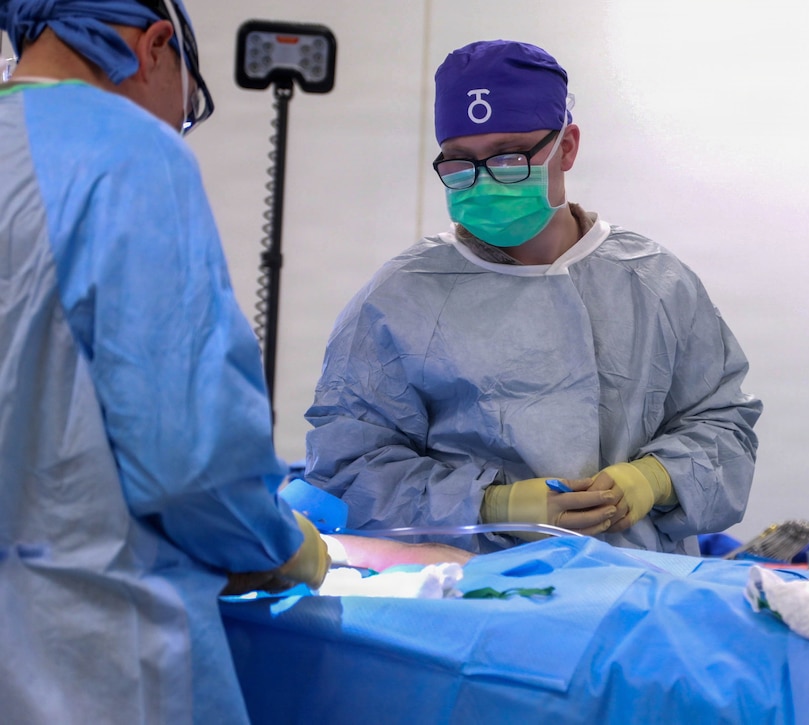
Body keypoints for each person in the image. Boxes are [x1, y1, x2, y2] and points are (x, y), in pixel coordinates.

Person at [0, 2, 466, 722]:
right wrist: (290, 548)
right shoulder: (128, 152)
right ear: (156, 47)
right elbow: (190, 461)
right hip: (94, 663)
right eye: (184, 114)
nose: (175, 130)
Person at [305, 39, 762, 556]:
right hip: (467, 595)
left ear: (566, 146)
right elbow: (350, 463)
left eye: (508, 158)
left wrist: (655, 479)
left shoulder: (654, 282)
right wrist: (493, 506)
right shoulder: (402, 298)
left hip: (638, 589)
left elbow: (722, 421)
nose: (484, 181)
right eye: (459, 163)